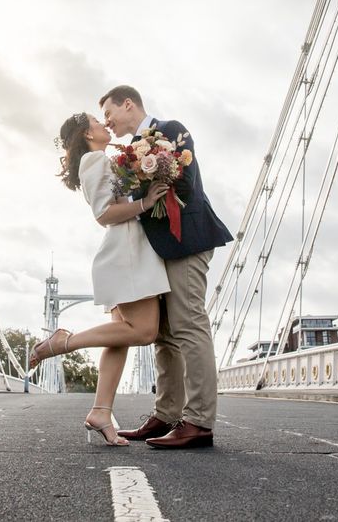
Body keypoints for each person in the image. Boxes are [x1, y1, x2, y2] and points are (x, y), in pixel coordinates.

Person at [99, 85, 233, 449]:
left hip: (187, 240)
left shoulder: (171, 129)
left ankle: (199, 422)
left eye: (109, 113)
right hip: (159, 251)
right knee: (165, 334)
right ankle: (167, 413)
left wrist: (146, 171)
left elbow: (185, 181)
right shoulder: (125, 154)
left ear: (129, 104)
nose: (107, 121)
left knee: (189, 324)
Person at [30, 111, 170, 446]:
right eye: (97, 120)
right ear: (86, 133)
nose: (104, 124)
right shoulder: (94, 160)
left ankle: (101, 412)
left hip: (127, 253)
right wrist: (146, 202)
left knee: (118, 339)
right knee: (145, 331)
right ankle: (62, 341)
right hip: (126, 254)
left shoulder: (106, 159)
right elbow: (104, 214)